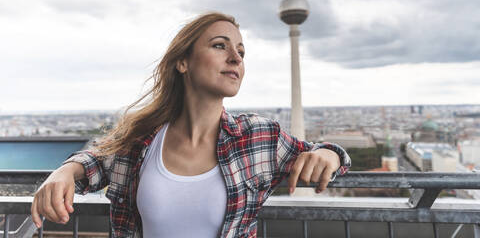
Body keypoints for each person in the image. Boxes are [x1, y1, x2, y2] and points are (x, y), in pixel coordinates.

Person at [31, 12, 351, 238]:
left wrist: (329, 155)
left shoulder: (258, 138)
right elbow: (95, 161)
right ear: (183, 62)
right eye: (219, 45)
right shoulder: (142, 141)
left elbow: (329, 155)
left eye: (241, 51)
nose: (236, 59)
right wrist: (64, 171)